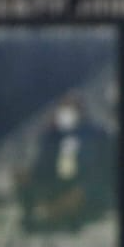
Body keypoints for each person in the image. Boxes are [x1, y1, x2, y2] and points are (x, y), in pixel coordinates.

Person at [17, 95, 113, 236]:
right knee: (22, 175)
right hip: (56, 180)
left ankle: (57, 217)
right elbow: (40, 165)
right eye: (63, 109)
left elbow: (100, 169)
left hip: (85, 183)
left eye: (71, 109)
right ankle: (34, 218)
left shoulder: (95, 134)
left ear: (81, 111)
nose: (66, 113)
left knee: (78, 193)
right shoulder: (52, 134)